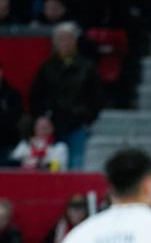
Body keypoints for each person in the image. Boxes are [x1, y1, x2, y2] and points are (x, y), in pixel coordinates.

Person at [29, 22, 103, 170]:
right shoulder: (47, 67)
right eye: (60, 39)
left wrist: (87, 118)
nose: (64, 43)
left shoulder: (87, 67)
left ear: (75, 41)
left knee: (76, 163)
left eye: (68, 38)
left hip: (77, 124)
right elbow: (37, 95)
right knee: (53, 165)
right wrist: (43, 116)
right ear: (55, 42)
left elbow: (97, 97)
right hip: (53, 125)